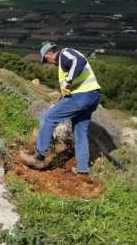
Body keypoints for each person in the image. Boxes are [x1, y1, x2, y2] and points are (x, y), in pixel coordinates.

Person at [20, 42, 102, 176]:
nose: (49, 64)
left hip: (82, 96)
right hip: (92, 96)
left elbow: (78, 61)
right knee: (80, 132)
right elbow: (69, 89)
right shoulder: (64, 63)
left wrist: (68, 80)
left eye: (46, 60)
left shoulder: (64, 54)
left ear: (50, 55)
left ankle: (39, 157)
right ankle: (82, 170)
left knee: (48, 118)